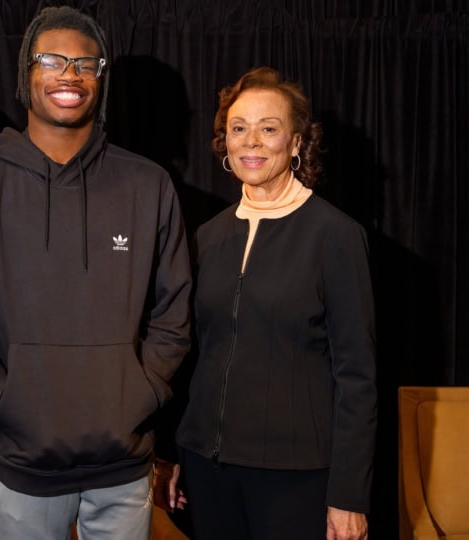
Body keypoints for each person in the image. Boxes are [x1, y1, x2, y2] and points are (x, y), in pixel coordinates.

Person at [0, 6, 192, 539]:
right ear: (26, 74)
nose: (68, 75)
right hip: (24, 465)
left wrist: (140, 394)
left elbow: (174, 313)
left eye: (84, 63)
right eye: (51, 60)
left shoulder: (149, 185)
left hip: (124, 462)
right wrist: (9, 405)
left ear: (101, 77)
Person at [163, 66, 378, 540]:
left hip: (297, 478)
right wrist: (179, 450)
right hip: (208, 469)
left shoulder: (336, 236)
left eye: (269, 128)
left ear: (298, 143)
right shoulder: (207, 237)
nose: (251, 142)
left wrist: (348, 494)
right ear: (225, 143)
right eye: (238, 129)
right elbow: (194, 356)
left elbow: (357, 377)